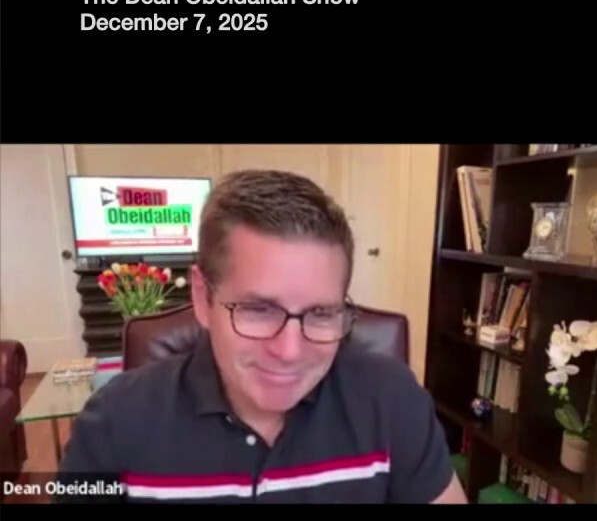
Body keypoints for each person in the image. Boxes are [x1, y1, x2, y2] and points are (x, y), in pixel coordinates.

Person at [57, 170, 467, 503]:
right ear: (201, 296)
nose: (289, 352)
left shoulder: (394, 401)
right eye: (257, 309)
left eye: (321, 313)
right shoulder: (114, 423)